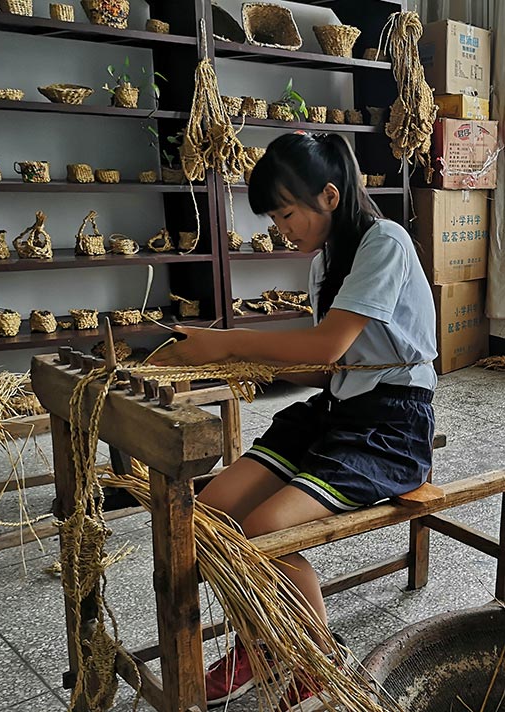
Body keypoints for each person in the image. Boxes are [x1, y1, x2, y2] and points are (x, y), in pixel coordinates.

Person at [151, 131, 437, 711]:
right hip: (337, 412)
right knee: (209, 514)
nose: (281, 228)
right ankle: (262, 641)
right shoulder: (326, 259)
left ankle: (312, 656)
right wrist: (244, 366)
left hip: (391, 427)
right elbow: (323, 367)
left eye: (285, 213)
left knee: (265, 529)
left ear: (329, 196)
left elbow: (329, 346)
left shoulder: (386, 241)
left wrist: (228, 346)